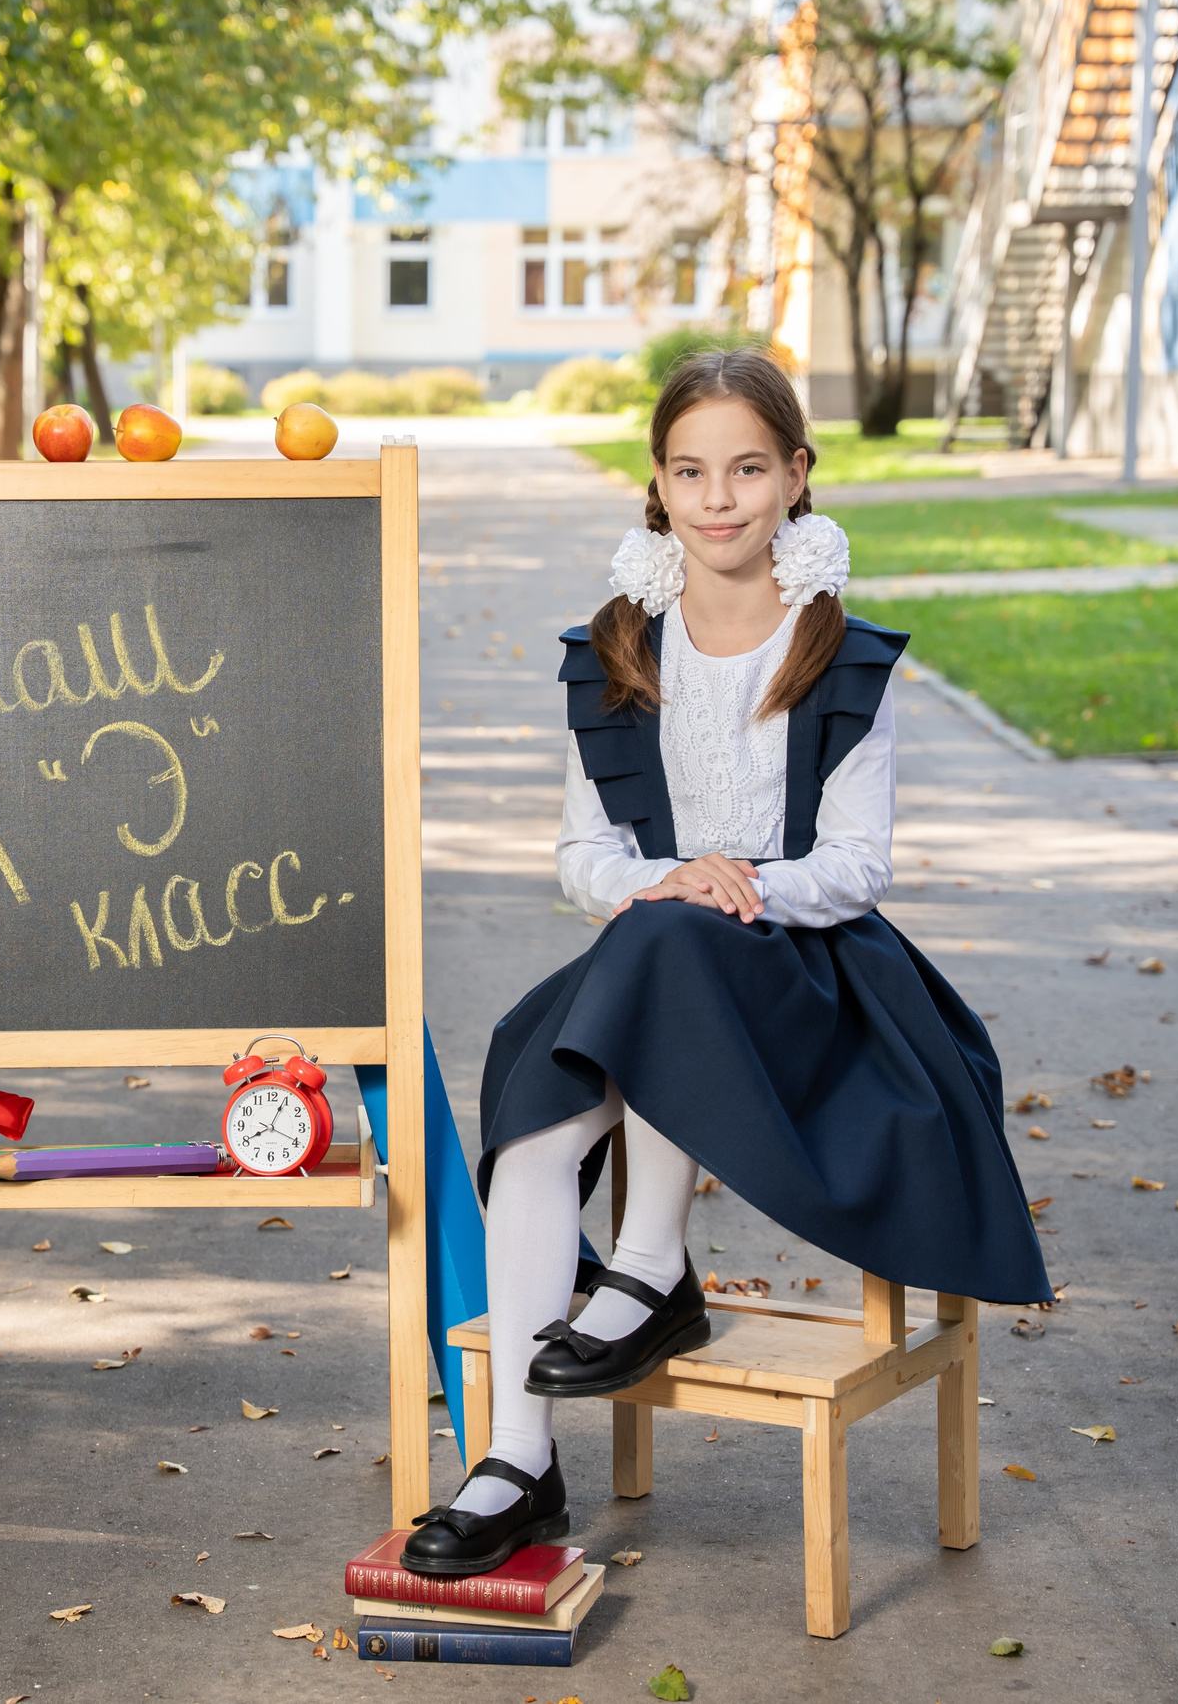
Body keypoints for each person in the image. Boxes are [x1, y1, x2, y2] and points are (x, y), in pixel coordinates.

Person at [402, 348, 1051, 1577]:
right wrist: (665, 883)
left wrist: (735, 887)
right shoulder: (615, 649)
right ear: (656, 483)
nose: (718, 498)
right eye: (691, 471)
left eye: (747, 470)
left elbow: (855, 866)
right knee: (536, 1128)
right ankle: (517, 1462)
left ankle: (651, 1266)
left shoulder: (838, 654)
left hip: (814, 977)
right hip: (660, 955)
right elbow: (583, 858)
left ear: (796, 476)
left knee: (675, 945)